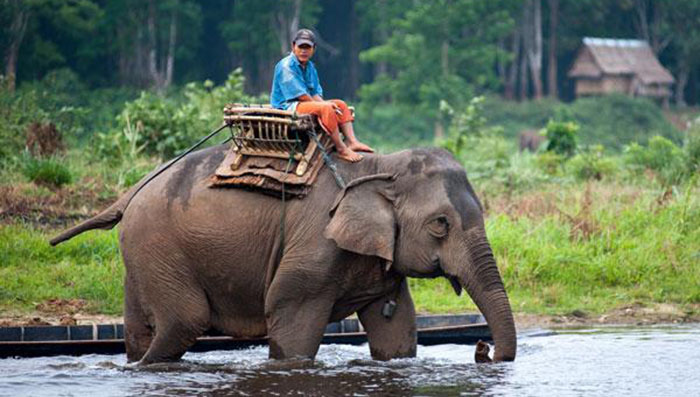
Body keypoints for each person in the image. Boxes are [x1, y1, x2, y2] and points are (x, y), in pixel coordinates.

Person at [271, 29, 373, 162]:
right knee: (326, 108)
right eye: (301, 47)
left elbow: (314, 93)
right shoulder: (286, 66)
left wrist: (325, 103)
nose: (304, 51)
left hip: (304, 104)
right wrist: (324, 106)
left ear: (314, 49)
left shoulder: (310, 67)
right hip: (288, 106)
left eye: (307, 47)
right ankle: (341, 148)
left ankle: (352, 141)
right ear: (293, 46)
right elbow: (301, 95)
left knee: (340, 104)